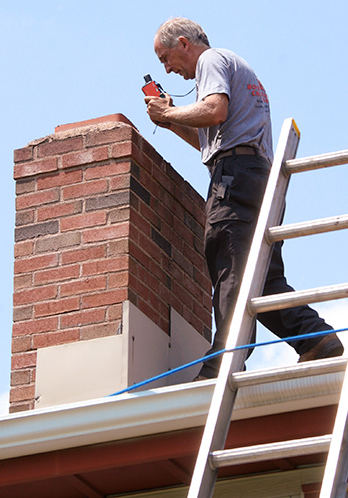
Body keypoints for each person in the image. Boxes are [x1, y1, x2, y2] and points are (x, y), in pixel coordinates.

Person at [144, 17, 343, 379]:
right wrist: (172, 120)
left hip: (236, 179)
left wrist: (168, 111)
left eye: (166, 58)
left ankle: (222, 362)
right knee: (262, 278)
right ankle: (316, 339)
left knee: (229, 266)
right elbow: (211, 141)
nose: (169, 69)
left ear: (185, 44)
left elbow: (214, 110)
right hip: (255, 177)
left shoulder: (211, 61)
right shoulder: (233, 65)